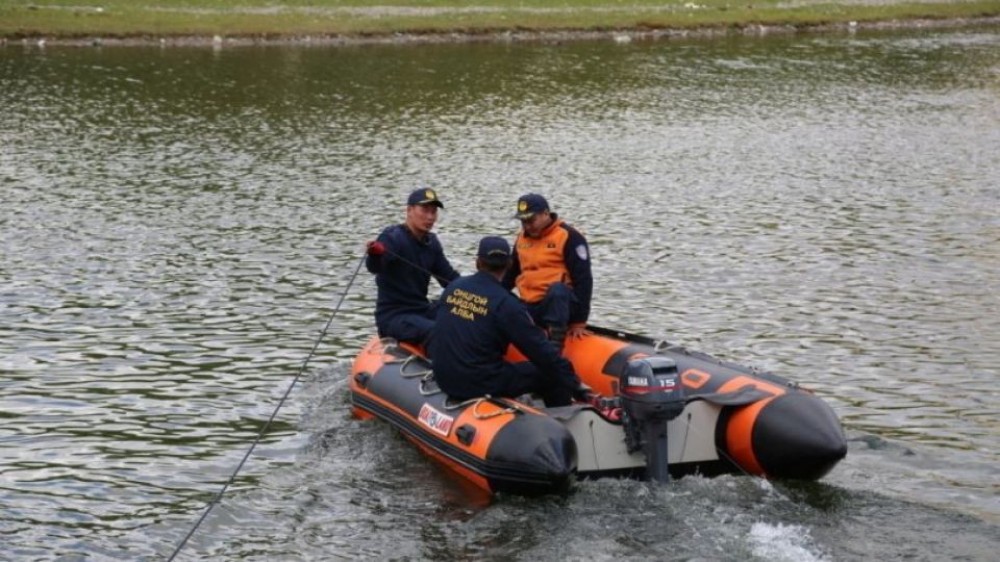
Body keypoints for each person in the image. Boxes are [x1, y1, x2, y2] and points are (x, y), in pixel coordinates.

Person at [429, 237, 583, 407]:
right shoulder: (507, 304)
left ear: (478, 262)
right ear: (509, 264)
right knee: (549, 374)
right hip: (478, 383)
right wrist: (574, 382)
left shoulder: (453, 287)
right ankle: (563, 420)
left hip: (443, 378)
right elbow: (540, 351)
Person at [365, 187, 460, 347]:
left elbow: (449, 279)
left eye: (433, 212)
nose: (430, 217)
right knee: (436, 331)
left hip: (422, 310)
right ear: (409, 210)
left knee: (465, 312)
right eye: (425, 210)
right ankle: (447, 369)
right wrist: (375, 254)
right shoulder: (393, 237)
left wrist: (478, 290)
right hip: (394, 317)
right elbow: (375, 267)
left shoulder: (432, 243)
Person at [502, 193, 593, 351]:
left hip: (559, 305)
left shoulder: (569, 237)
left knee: (557, 291)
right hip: (530, 304)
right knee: (504, 299)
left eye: (531, 220)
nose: (527, 226)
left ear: (545, 214)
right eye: (523, 222)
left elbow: (584, 280)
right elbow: (510, 275)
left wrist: (579, 322)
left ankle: (555, 347)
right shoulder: (521, 239)